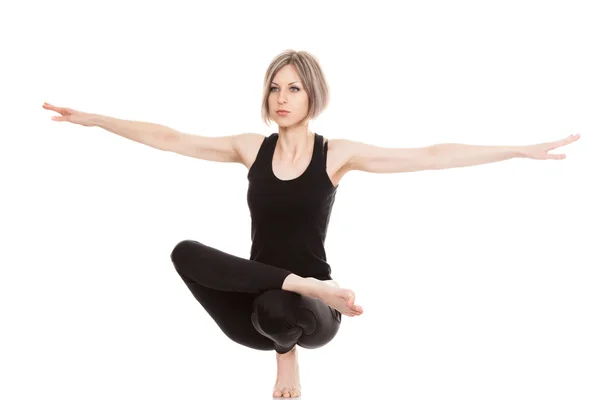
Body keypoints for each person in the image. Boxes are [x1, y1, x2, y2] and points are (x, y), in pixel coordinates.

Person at [43, 49, 580, 398]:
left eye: (293, 88)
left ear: (312, 94)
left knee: (283, 305)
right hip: (258, 306)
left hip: (315, 313)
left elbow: (430, 154)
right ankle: (295, 286)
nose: (281, 98)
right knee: (185, 251)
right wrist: (96, 120)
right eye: (275, 88)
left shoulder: (335, 155)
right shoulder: (249, 148)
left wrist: (517, 150)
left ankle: (290, 346)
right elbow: (168, 136)